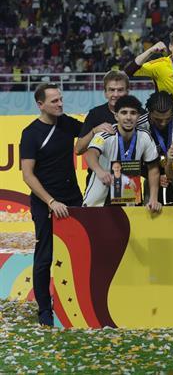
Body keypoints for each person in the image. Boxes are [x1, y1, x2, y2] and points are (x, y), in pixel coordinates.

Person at [20, 84, 83, 326]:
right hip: (45, 203)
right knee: (44, 257)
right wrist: (51, 201)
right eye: (54, 101)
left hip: (73, 199)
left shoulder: (66, 123)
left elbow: (88, 134)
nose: (60, 104)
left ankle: (76, 306)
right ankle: (45, 311)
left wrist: (100, 126)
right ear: (40, 105)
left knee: (78, 254)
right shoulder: (31, 133)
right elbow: (28, 175)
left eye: (61, 99)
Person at [83, 95, 161, 209]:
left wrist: (153, 198)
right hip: (99, 202)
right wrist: (100, 171)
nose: (128, 117)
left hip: (131, 200)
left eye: (133, 113)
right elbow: (90, 153)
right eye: (124, 113)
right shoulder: (106, 134)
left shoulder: (145, 137)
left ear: (138, 116)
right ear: (116, 116)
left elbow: (153, 169)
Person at [126, 28, 173, 110]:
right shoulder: (159, 65)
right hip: (166, 115)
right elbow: (129, 71)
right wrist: (150, 51)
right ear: (170, 47)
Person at [138, 91, 173, 205]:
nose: (163, 123)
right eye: (157, 119)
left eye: (168, 119)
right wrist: (155, 176)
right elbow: (135, 160)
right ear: (149, 112)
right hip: (153, 177)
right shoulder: (140, 125)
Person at [75, 71, 129, 186]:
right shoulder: (95, 114)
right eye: (111, 90)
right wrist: (94, 131)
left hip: (129, 180)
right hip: (99, 179)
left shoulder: (139, 115)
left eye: (120, 90)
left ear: (127, 92)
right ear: (105, 93)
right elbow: (78, 149)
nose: (116, 94)